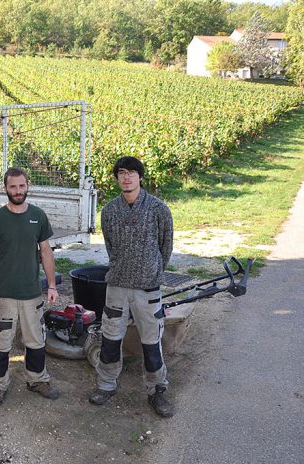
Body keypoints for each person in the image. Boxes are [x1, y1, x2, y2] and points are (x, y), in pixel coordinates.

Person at [89, 156, 175, 418]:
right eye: (121, 173)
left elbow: (166, 246)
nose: (126, 177)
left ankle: (157, 390)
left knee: (151, 343)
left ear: (140, 176)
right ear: (117, 178)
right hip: (117, 286)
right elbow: (111, 248)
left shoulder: (158, 209)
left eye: (132, 173)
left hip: (147, 289)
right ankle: (106, 385)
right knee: (110, 340)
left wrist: (152, 271)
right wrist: (122, 267)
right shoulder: (110, 211)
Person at [0, 167, 60, 407]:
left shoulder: (38, 216)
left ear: (28, 186)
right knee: (1, 344)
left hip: (31, 294)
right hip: (3, 295)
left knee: (35, 341)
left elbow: (45, 251)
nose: (17, 191)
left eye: (21, 186)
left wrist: (52, 285)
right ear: (5, 188)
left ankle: (36, 380)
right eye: (12, 187)